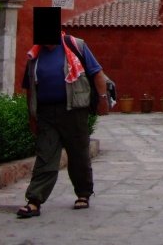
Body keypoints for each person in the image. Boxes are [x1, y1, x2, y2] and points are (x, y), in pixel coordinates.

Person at [16, 32, 110, 218]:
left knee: (78, 154)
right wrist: (32, 115)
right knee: (45, 155)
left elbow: (97, 73)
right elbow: (30, 88)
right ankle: (34, 200)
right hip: (46, 113)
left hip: (74, 110)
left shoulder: (76, 45)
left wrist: (102, 99)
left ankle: (83, 194)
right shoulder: (34, 55)